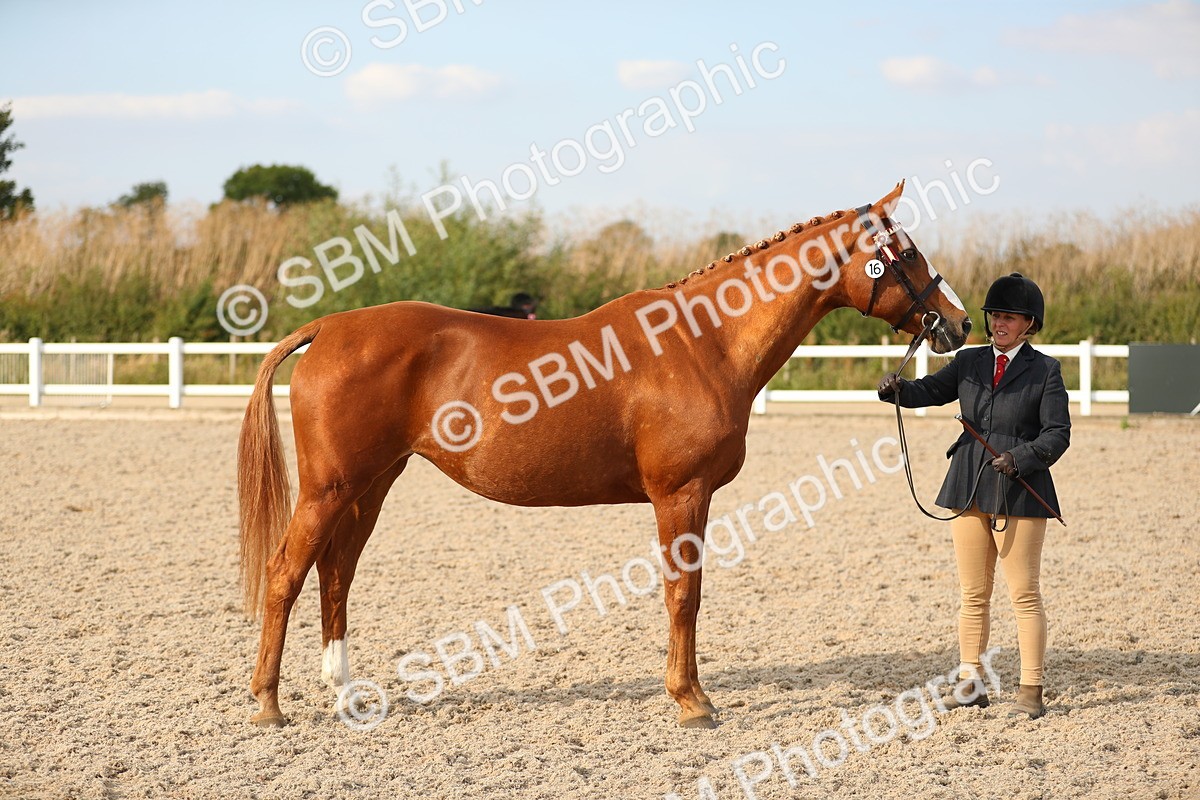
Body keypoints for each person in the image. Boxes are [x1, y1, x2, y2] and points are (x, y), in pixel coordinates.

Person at [878, 272, 1070, 719]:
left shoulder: (1045, 370)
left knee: (1024, 592)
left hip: (1019, 486)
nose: (1000, 324)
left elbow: (1058, 434)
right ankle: (969, 682)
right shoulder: (969, 362)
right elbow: (930, 391)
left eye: (1010, 318)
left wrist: (1021, 457)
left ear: (1029, 325)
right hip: (968, 481)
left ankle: (1031, 687)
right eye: (996, 316)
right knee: (973, 592)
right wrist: (899, 390)